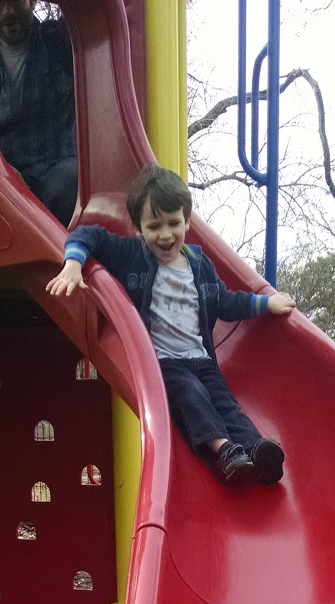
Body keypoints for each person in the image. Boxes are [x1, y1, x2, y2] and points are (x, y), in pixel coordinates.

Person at [46, 164, 295, 484]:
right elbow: (88, 234)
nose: (165, 234)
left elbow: (226, 301)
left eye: (173, 223)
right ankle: (224, 451)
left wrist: (266, 304)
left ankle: (256, 450)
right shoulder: (131, 255)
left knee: (225, 403)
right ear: (138, 228)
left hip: (201, 358)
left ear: (187, 220)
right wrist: (72, 264)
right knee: (191, 394)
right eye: (154, 226)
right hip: (163, 362)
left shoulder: (199, 264)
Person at [0, 0, 77, 226]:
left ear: (33, 2)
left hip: (57, 168)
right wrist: (2, 170)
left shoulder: (59, 41)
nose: (8, 11)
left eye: (16, 1)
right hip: (7, 177)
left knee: (68, 180)